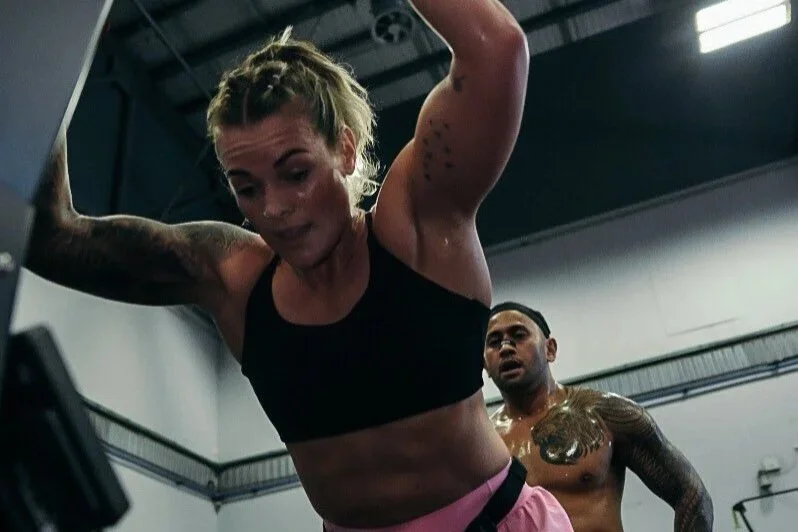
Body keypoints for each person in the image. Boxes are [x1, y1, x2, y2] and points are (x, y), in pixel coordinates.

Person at [27, 1, 575, 530]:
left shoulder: (420, 227)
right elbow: (51, 236)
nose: (274, 209)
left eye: (296, 173)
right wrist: (47, 41)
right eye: (247, 188)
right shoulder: (233, 279)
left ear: (346, 150)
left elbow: (497, 50)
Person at [484, 302, 714, 532]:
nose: (506, 348)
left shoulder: (606, 414)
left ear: (550, 349)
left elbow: (692, 495)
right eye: (494, 342)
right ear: (484, 363)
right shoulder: (482, 446)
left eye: (519, 335)